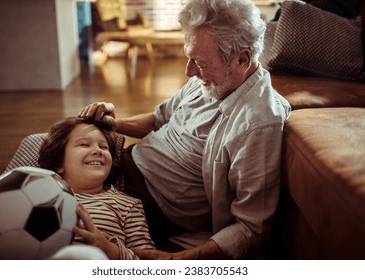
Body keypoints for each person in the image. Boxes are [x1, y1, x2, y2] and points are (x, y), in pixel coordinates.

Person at [78, 0, 291, 259]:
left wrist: (176, 260)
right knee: (39, 145)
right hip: (123, 162)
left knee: (70, 230)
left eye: (199, 62)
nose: (189, 71)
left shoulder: (259, 122)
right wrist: (113, 123)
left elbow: (253, 228)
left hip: (142, 202)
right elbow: (158, 119)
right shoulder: (209, 79)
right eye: (189, 58)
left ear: (242, 59)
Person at [38, 117, 155, 260]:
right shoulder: (39, 195)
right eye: (84, 144)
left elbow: (148, 263)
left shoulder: (128, 205)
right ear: (58, 163)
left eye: (104, 147)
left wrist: (108, 249)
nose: (97, 151)